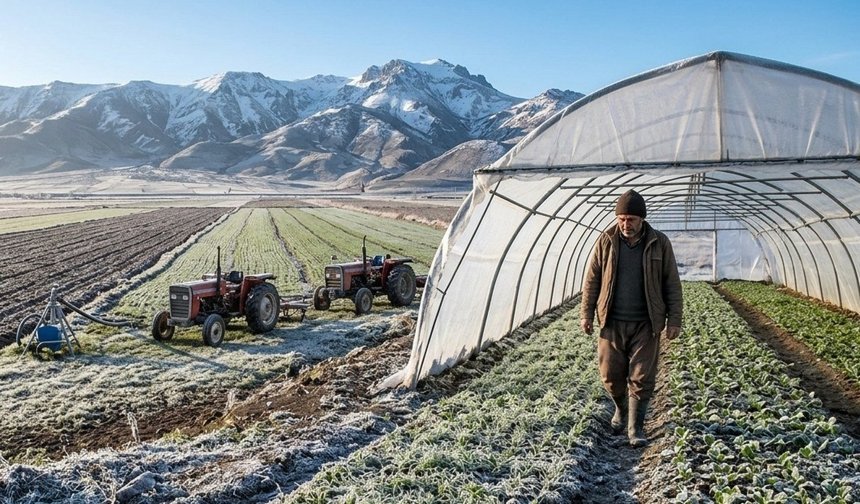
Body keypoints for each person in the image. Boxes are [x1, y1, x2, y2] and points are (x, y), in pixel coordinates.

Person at [580, 189, 683, 447]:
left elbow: (672, 282)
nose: (626, 224)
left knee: (641, 376)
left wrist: (674, 320)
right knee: (610, 375)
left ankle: (635, 428)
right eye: (622, 219)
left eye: (631, 220)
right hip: (611, 322)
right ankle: (620, 408)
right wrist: (587, 314)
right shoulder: (606, 241)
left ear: (642, 219)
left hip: (646, 323)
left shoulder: (659, 243)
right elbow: (592, 280)